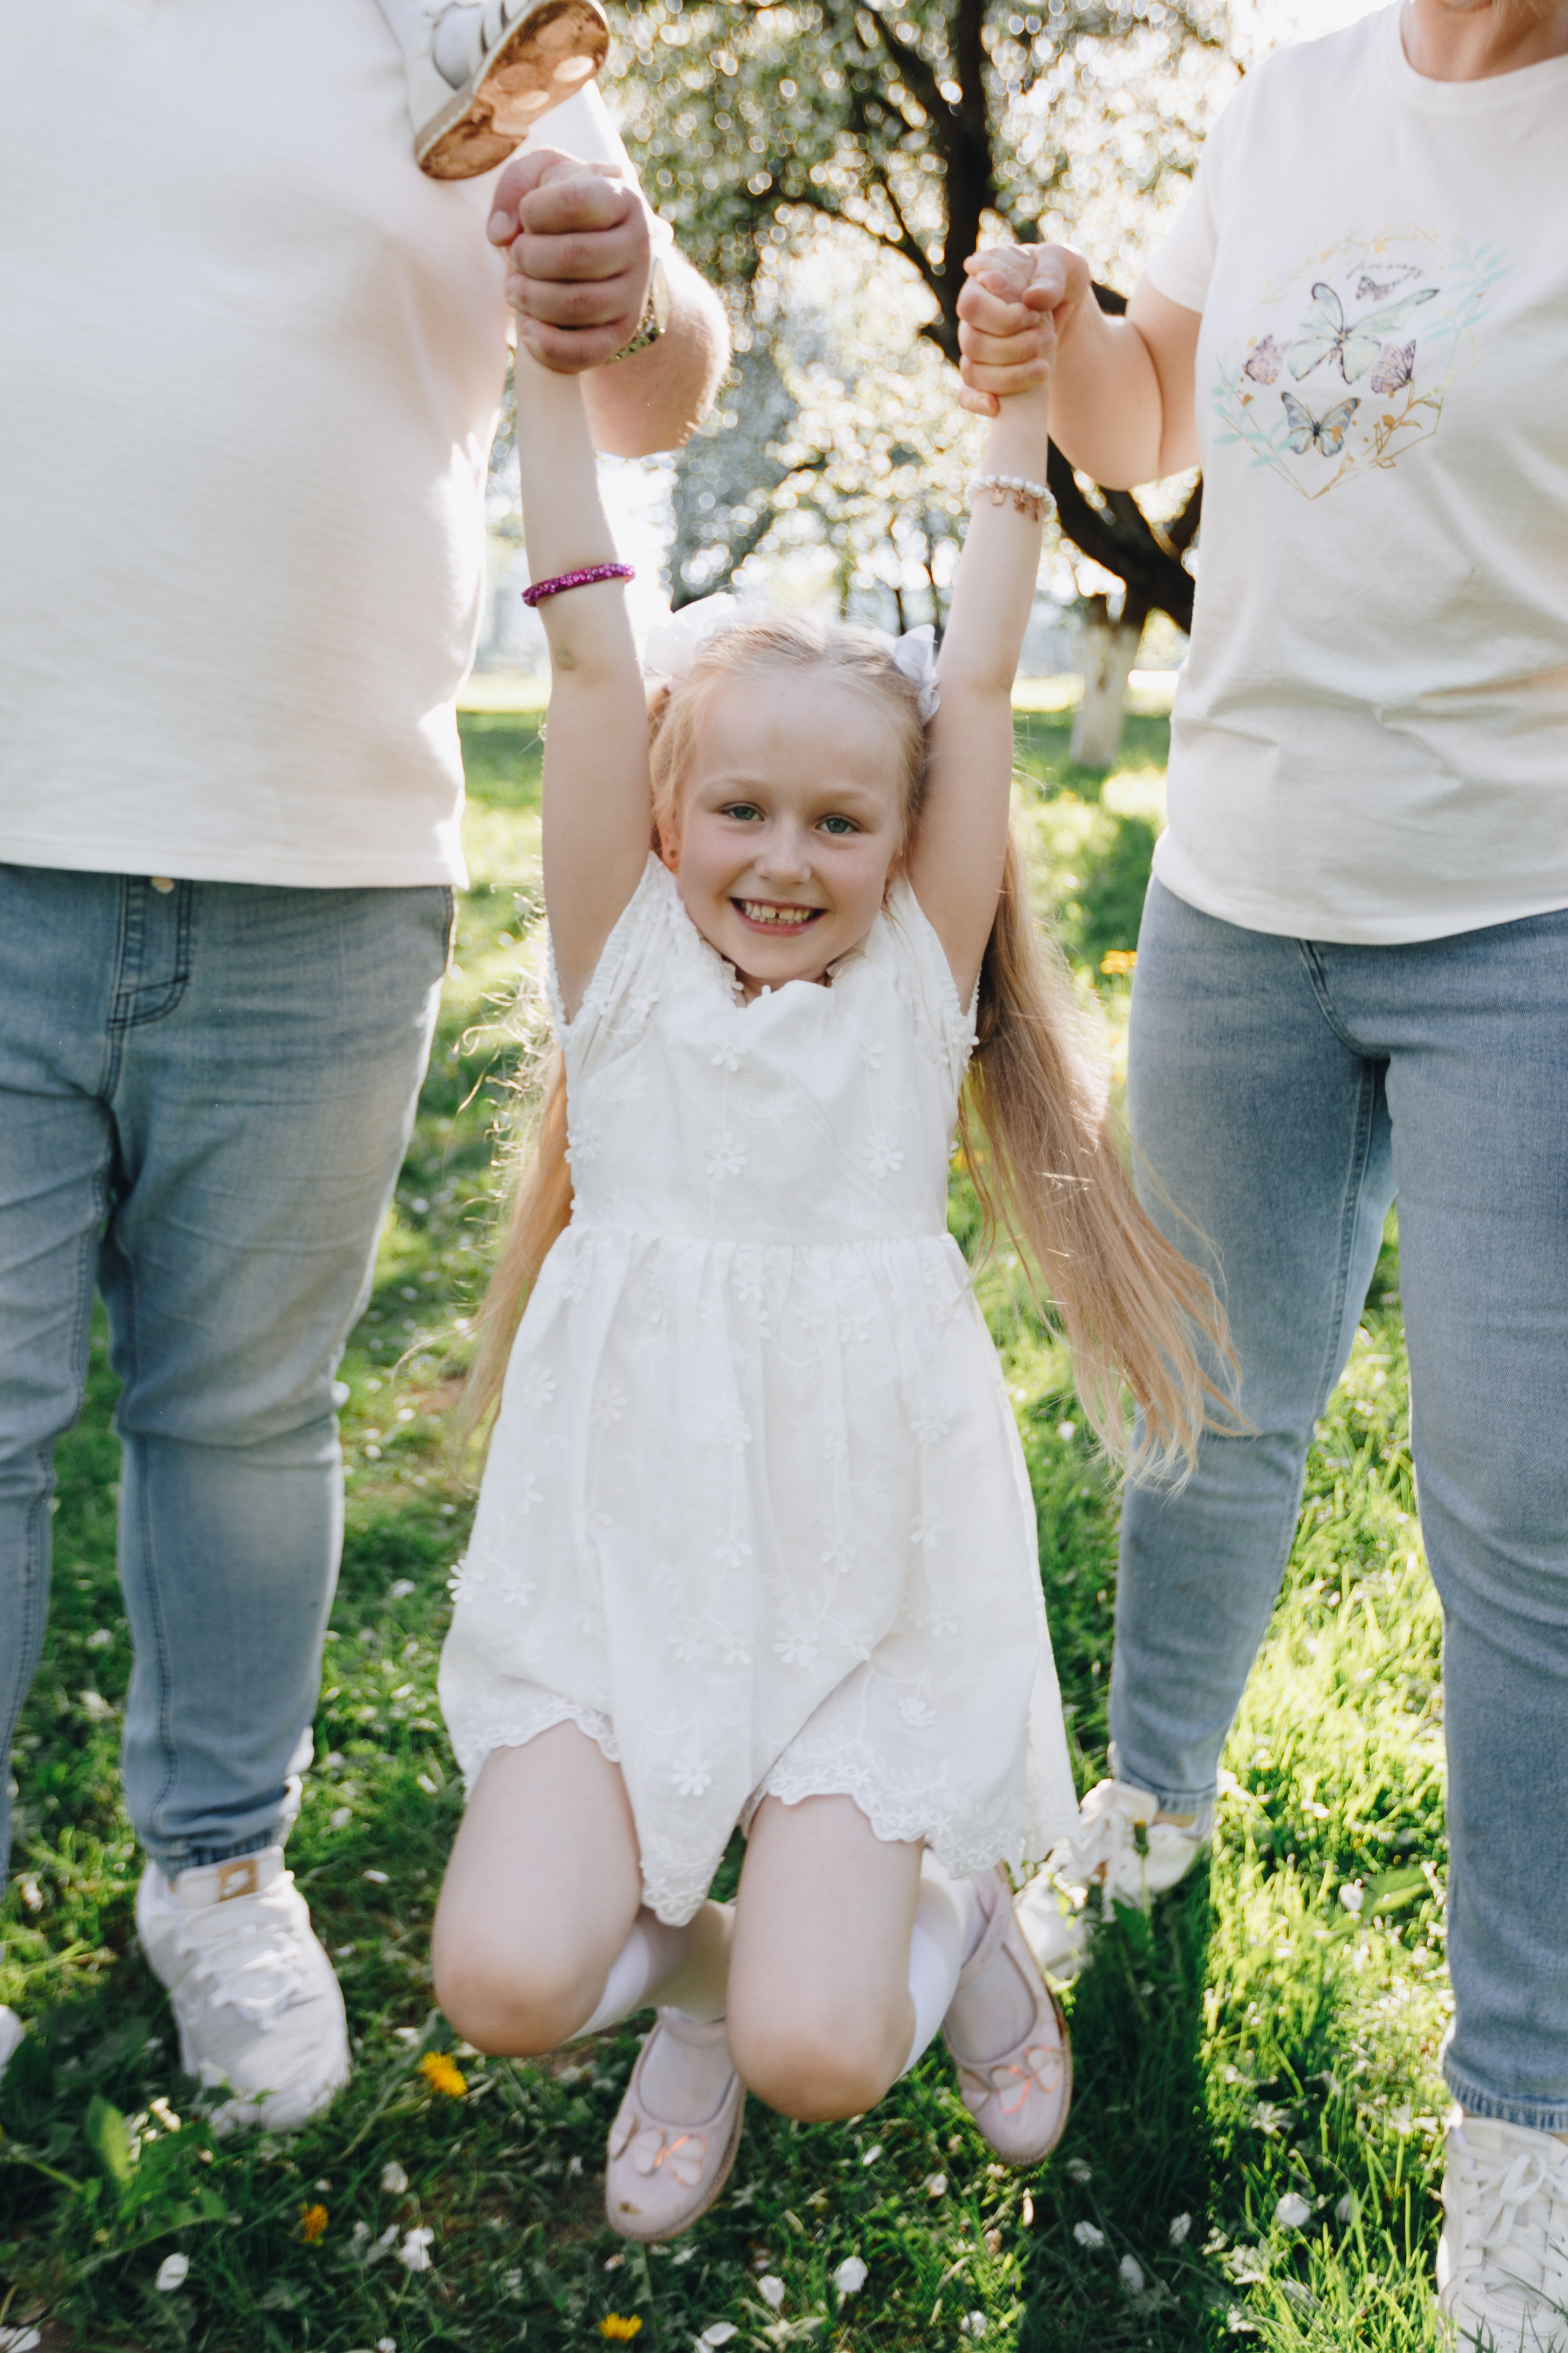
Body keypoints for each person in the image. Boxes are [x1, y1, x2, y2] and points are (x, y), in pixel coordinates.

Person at [426, 224, 1226, 2244]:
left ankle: (942, 1931)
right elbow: (594, 640)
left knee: (821, 2048)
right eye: (744, 813)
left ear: (905, 839)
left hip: (865, 1583)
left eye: (843, 824)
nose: (786, 861)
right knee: (504, 1982)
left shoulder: (905, 999)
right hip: (622, 1578)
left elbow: (970, 668)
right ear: (673, 814)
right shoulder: (622, 970)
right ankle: (701, 1960)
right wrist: (547, 368)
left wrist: (1016, 412)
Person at [0, 3, 726, 2132]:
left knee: (243, 1413)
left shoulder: (459, 14)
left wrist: (638, 268)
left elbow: (665, 372)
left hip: (323, 842)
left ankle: (218, 1864)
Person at [955, 0, 1568, 2341]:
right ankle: (1148, 1804)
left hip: (1529, 910)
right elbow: (1158, 408)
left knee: (1526, 1514)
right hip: (1242, 890)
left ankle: (1527, 2118)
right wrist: (1067, 323)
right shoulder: (1300, 91)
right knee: (1190, 1399)